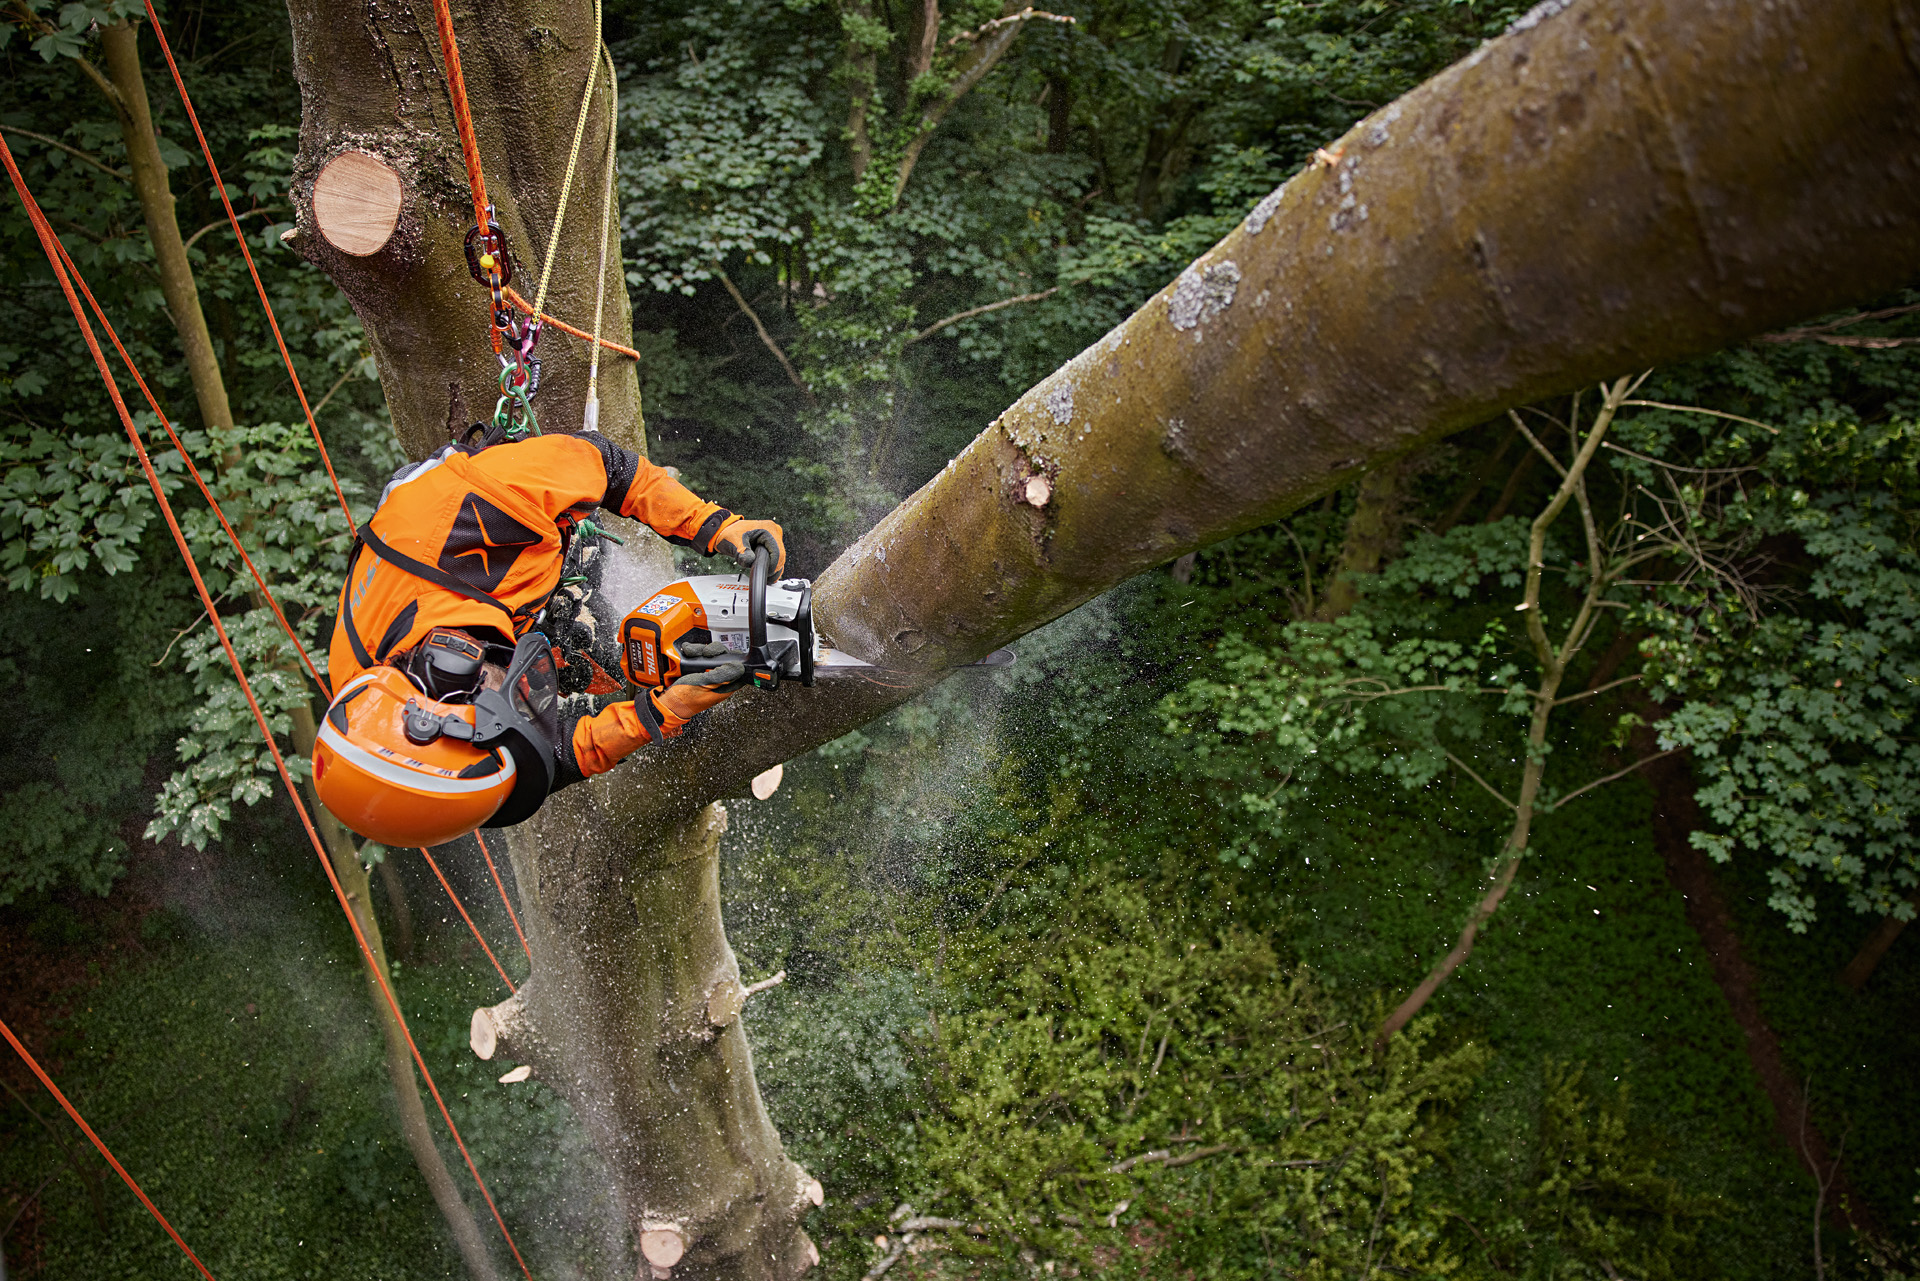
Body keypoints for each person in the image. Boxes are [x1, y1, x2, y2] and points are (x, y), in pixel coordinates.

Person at [311, 427, 784, 847]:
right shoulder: (370, 725)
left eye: (504, 712)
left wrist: (716, 526)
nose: (523, 715)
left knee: (597, 647)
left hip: (488, 548)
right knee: (622, 666)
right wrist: (659, 713)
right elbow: (546, 758)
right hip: (489, 616)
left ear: (450, 671)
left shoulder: (480, 504)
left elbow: (606, 464)